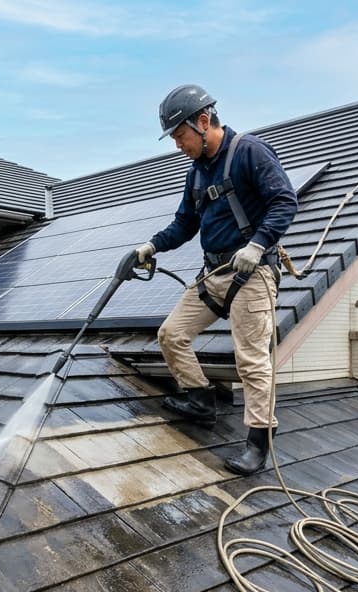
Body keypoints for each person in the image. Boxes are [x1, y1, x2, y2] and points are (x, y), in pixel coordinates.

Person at [128, 84, 298, 475]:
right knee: (172, 334)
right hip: (215, 273)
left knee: (252, 360)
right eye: (173, 138)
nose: (177, 145)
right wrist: (150, 247)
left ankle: (259, 442)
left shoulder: (249, 152)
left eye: (180, 135)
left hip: (252, 274)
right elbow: (185, 223)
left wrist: (257, 244)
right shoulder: (197, 172)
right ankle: (200, 399)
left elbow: (284, 201)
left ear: (203, 122)